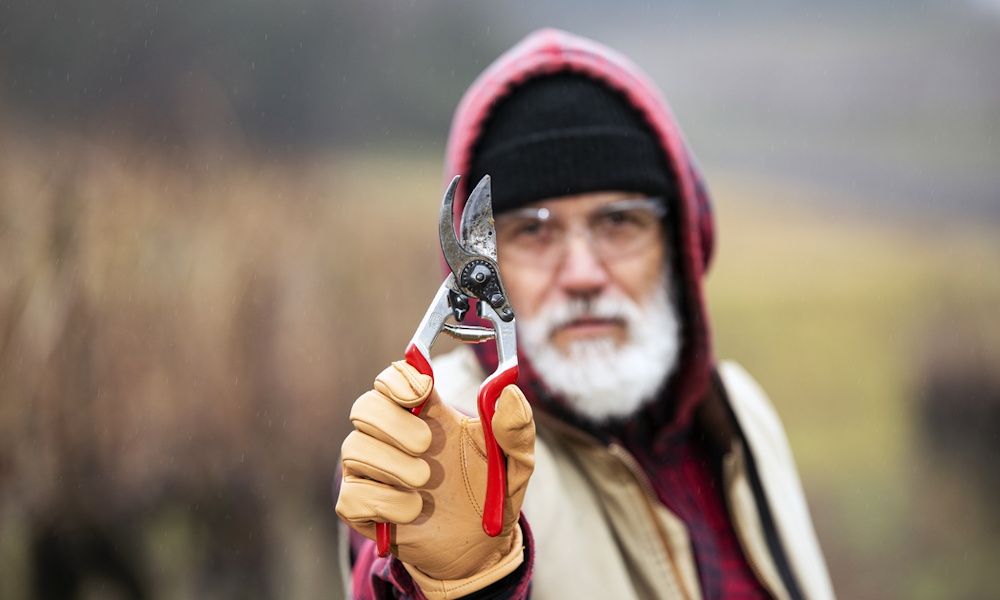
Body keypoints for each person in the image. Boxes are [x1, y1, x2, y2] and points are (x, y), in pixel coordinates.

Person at [335, 28, 835, 600]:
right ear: (482, 261)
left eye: (619, 222)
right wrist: (458, 585)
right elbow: (381, 576)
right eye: (532, 231)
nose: (582, 275)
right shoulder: (434, 434)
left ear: (677, 246)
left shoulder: (742, 413)